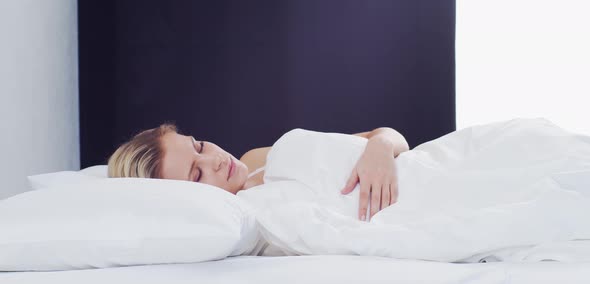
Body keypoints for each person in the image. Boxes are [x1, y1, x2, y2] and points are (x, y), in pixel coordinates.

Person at [108, 124, 410, 220]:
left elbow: (389, 136)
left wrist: (380, 147)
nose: (213, 160)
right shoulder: (248, 219)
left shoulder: (255, 159)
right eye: (197, 175)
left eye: (199, 146)